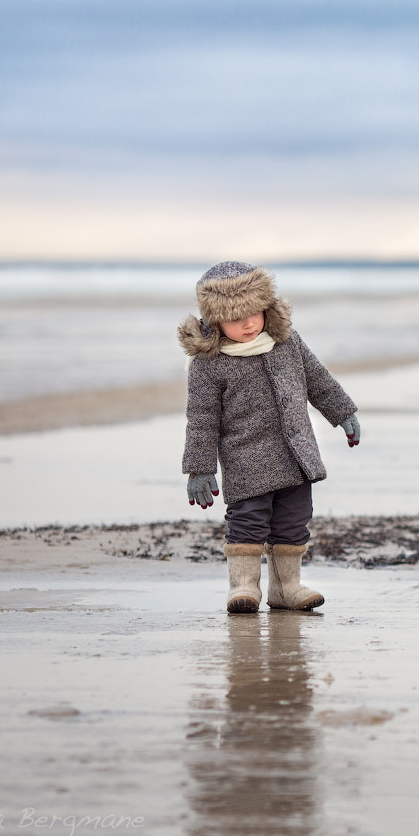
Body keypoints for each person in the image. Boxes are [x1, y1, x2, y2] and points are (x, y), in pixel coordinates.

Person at [177, 261, 360, 614]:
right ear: (214, 320)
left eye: (254, 313)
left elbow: (317, 379)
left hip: (295, 456)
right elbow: (201, 419)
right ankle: (243, 585)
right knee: (247, 522)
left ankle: (286, 587)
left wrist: (343, 412)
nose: (248, 323)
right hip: (246, 461)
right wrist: (199, 468)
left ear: (266, 308)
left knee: (294, 521)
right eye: (235, 318)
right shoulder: (209, 364)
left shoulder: (286, 342)